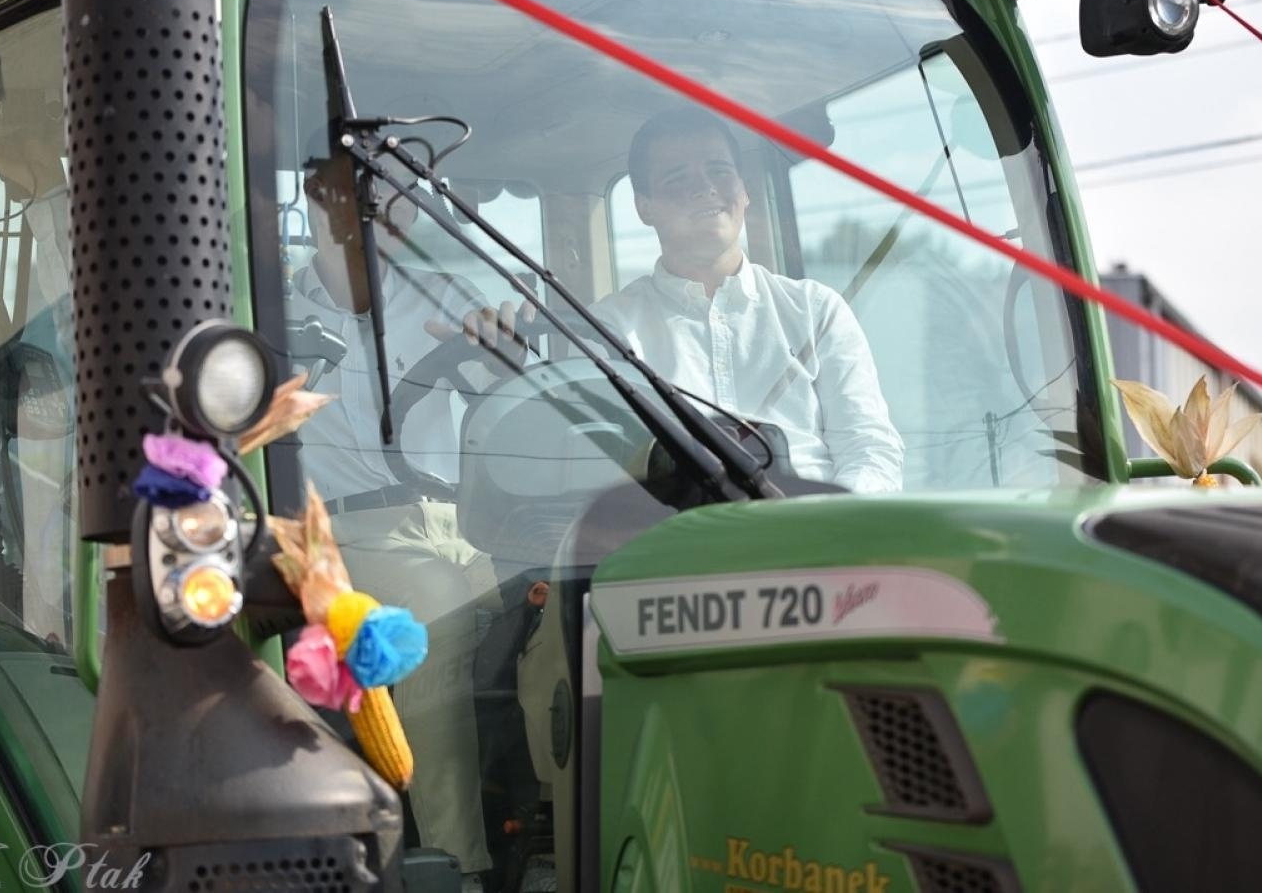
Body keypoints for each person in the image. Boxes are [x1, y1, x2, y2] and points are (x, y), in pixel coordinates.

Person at [285, 148, 530, 884]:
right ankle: (461, 866)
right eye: (363, 189)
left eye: (401, 192)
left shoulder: (443, 300)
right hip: (349, 532)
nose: (390, 207)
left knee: (567, 612)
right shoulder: (273, 310)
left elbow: (505, 371)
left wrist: (504, 346)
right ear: (319, 199)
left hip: (467, 526)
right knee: (435, 626)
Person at [591, 107, 904, 493]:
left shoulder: (817, 310)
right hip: (683, 542)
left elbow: (869, 449)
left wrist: (834, 533)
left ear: (744, 190)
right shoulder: (608, 329)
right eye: (677, 178)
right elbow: (607, 474)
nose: (704, 187)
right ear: (644, 207)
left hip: (823, 536)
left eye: (719, 171)